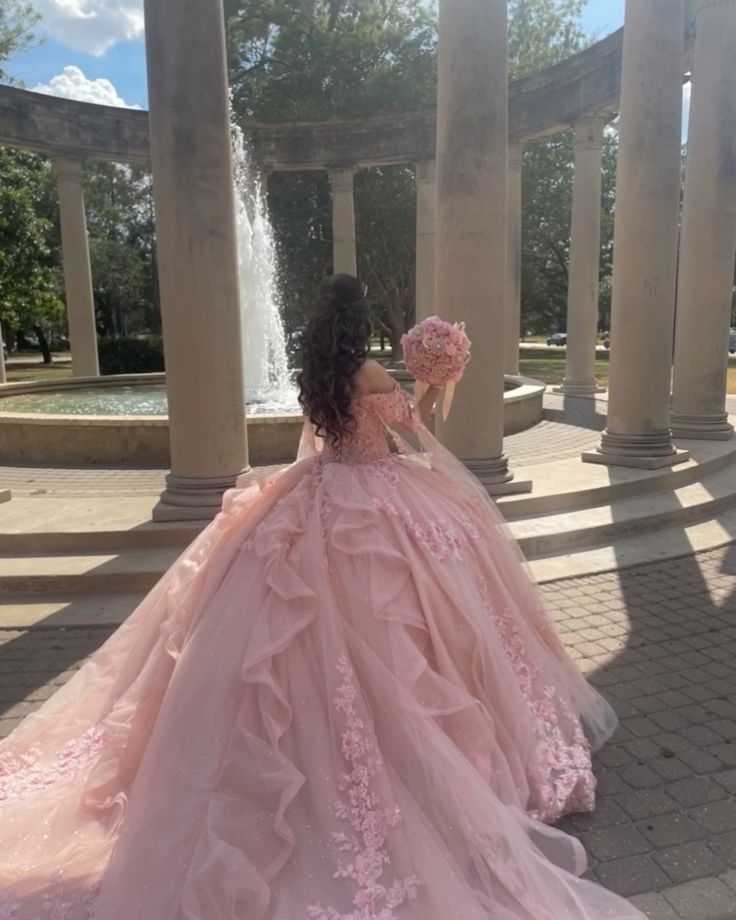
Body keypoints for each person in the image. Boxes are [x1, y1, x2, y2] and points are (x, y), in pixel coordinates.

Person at [0, 274, 644, 919]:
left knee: (296, 626)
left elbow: (318, 439)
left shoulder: (317, 372)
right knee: (403, 621)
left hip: (319, 486)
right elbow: (416, 433)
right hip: (374, 492)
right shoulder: (370, 373)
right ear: (363, 324)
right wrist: (437, 382)